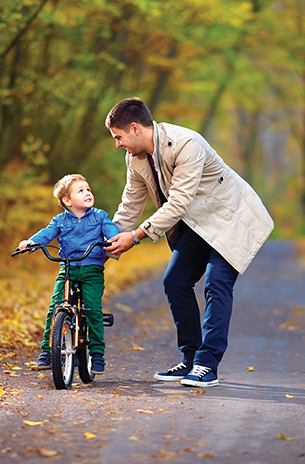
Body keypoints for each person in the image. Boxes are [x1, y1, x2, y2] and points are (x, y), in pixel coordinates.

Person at [104, 97, 273, 387]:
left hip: (230, 218)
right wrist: (104, 246)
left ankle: (207, 365)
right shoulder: (135, 158)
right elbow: (130, 204)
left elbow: (179, 202)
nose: (118, 144)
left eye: (118, 137)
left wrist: (136, 236)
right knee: (175, 282)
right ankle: (191, 358)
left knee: (216, 283)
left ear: (134, 128)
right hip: (198, 223)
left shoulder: (186, 143)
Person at [18, 174, 120, 374]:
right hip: (68, 269)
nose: (87, 193)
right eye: (80, 191)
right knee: (55, 306)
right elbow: (47, 233)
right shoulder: (59, 221)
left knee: (92, 308)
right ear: (67, 201)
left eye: (88, 189)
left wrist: (114, 238)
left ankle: (97, 353)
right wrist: (31, 242)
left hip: (92, 270)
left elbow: (111, 230)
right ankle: (48, 351)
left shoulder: (99, 216)